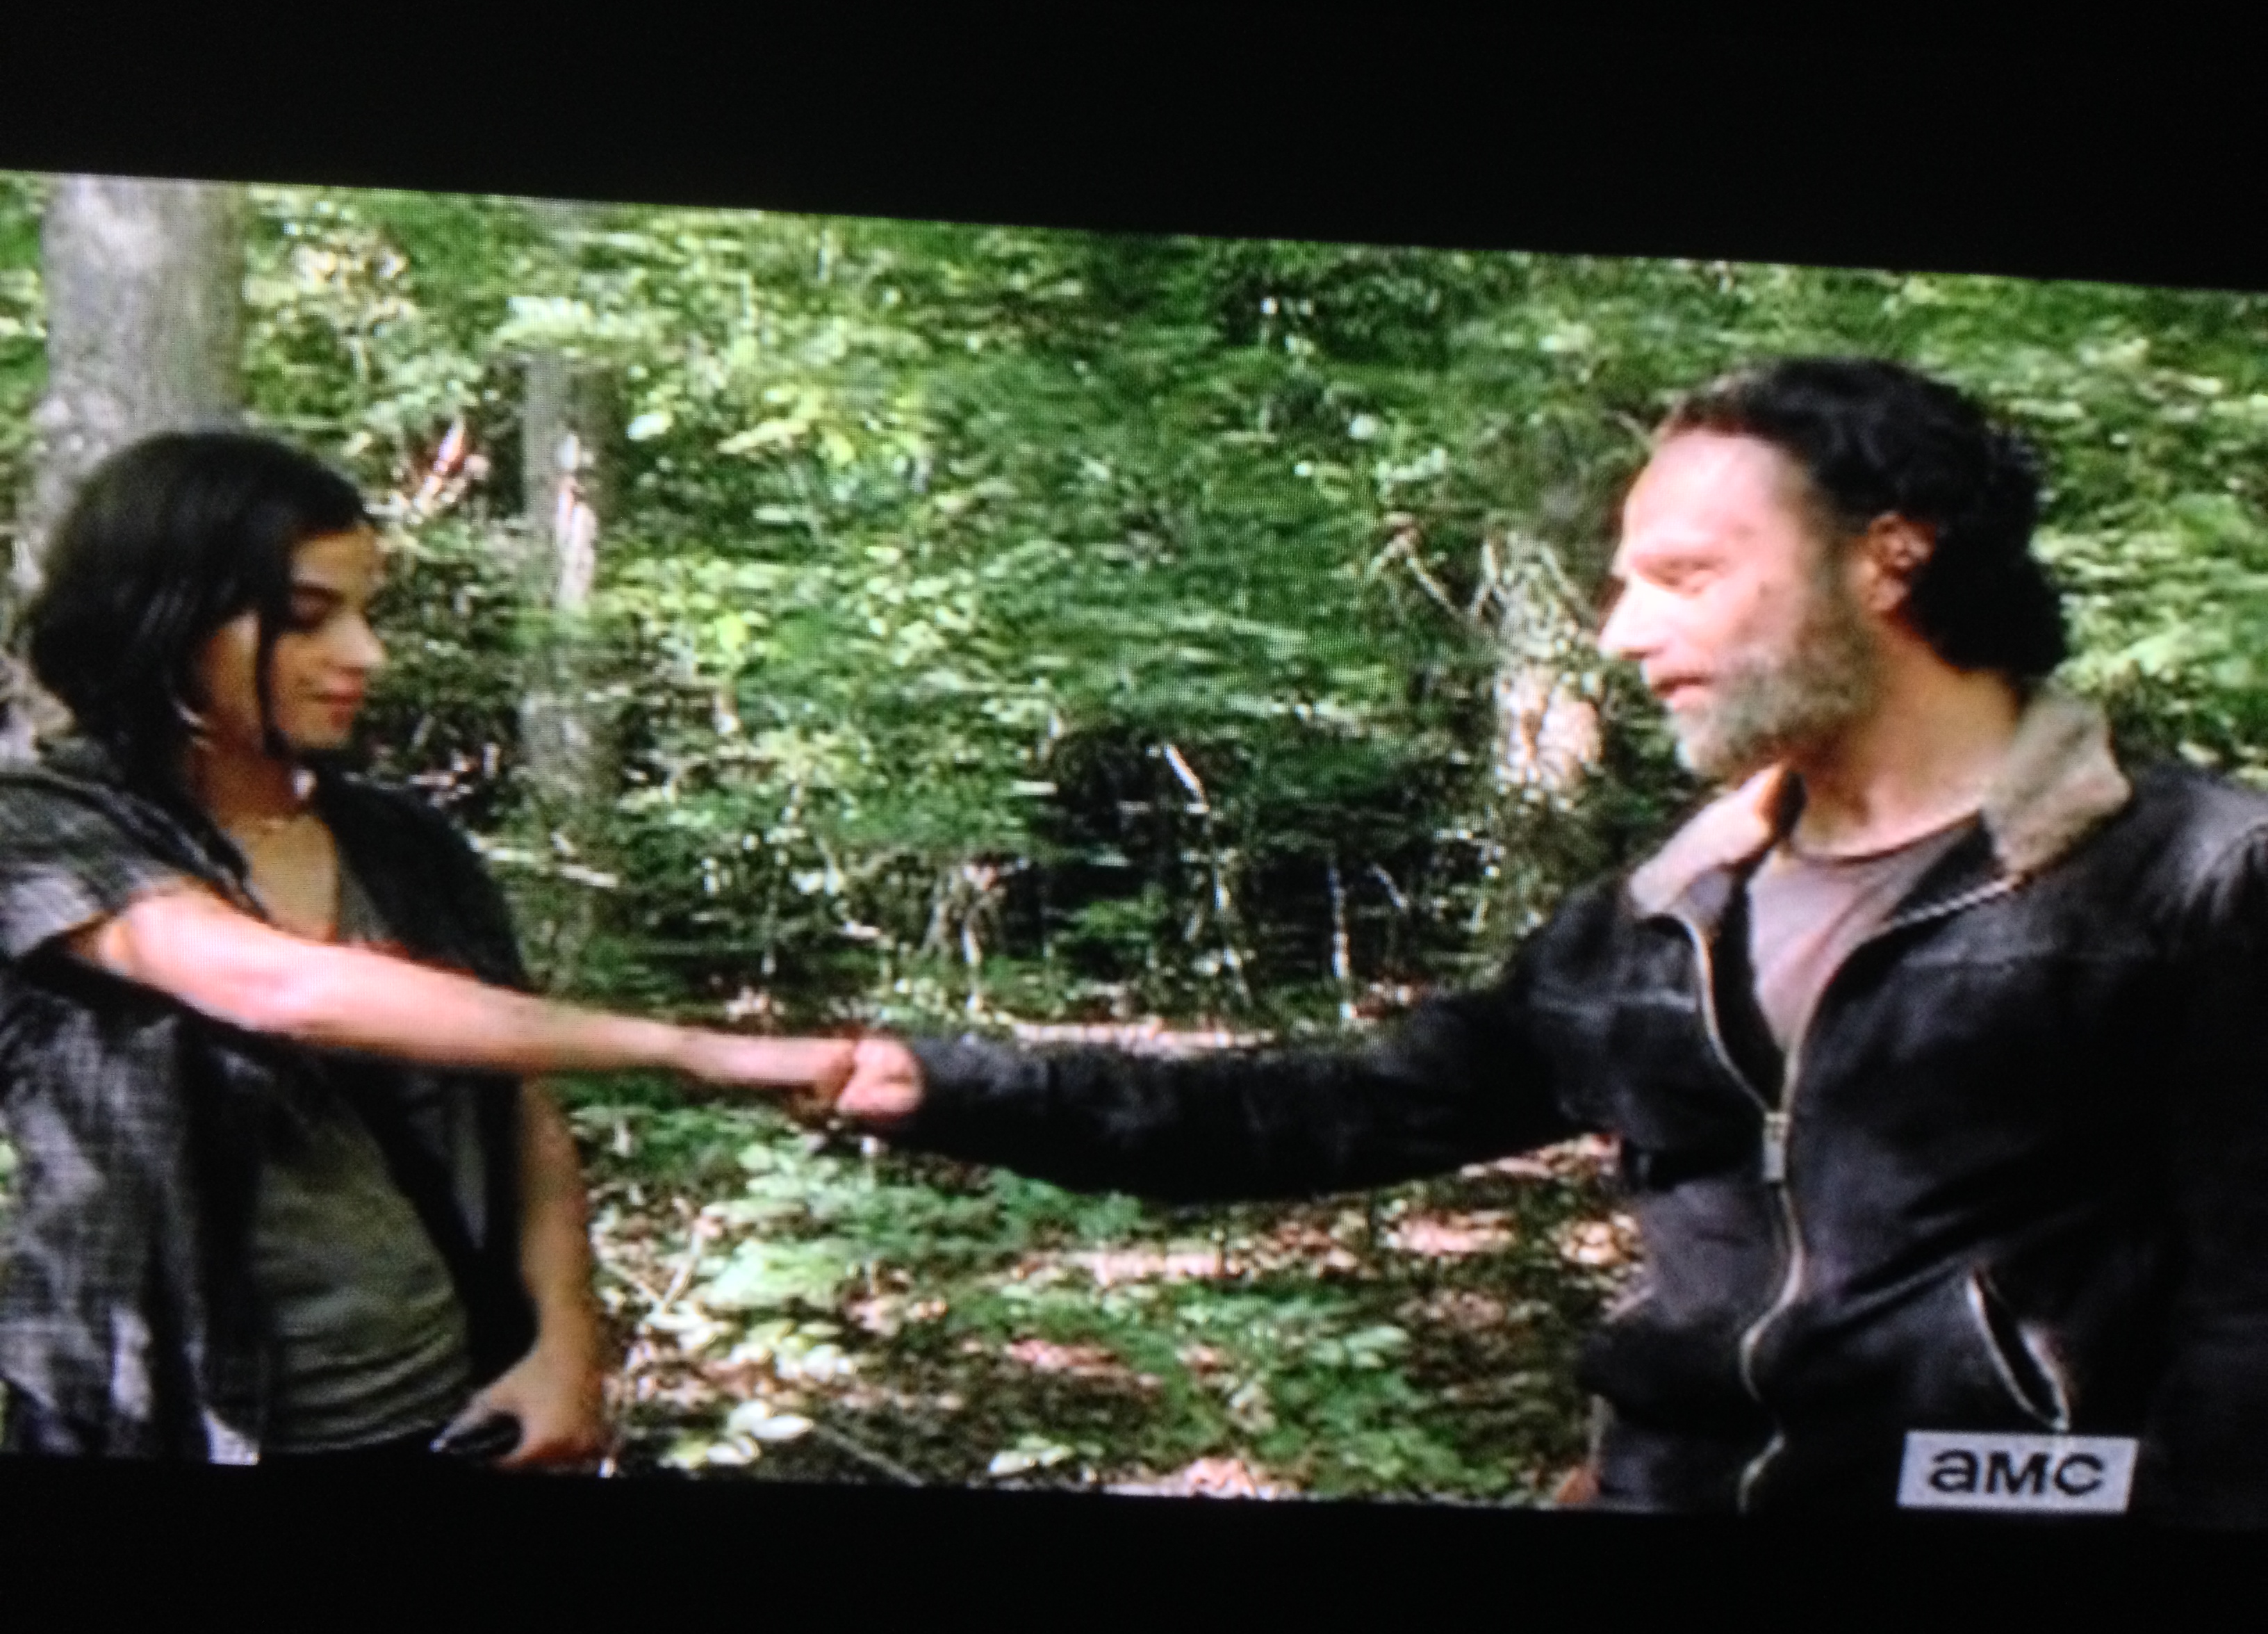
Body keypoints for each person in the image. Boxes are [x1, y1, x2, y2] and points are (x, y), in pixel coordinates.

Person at [803, 358, 2268, 1523]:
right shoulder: (1662, 915)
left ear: (1890, 561)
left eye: (1684, 577)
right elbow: (1332, 1108)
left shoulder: (2197, 877)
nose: (1622, 634)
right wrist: (940, 1084)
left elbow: (2246, 1329)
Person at [0, 432, 843, 1466]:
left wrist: (566, 1342)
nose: (366, 656)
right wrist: (696, 1049)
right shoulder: (42, 825)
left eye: (367, 613)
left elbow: (520, 1108)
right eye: (307, 617)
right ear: (162, 618)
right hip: (148, 1421)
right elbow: (273, 985)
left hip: (446, 1411)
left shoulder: (406, 845)